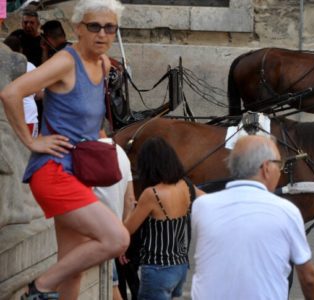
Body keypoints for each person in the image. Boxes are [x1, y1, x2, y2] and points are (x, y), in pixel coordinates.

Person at [0, 1, 129, 299]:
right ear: (77, 28)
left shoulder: (104, 63)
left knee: (73, 268)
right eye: (94, 26)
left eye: (110, 27)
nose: (102, 34)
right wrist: (32, 142)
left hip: (79, 173)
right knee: (116, 238)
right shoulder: (66, 61)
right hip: (54, 171)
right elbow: (11, 92)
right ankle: (39, 288)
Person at [191, 135, 314, 300]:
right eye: (278, 164)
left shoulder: (202, 207)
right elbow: (309, 277)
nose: (280, 171)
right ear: (266, 167)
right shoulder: (286, 211)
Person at [122, 137, 204, 300]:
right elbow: (207, 200)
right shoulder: (185, 185)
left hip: (157, 268)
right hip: (180, 267)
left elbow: (127, 229)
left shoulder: (151, 194)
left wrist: (131, 208)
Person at [93, 132, 135, 300]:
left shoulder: (91, 152)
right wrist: (123, 232)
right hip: (114, 232)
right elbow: (130, 200)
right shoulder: (121, 152)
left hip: (98, 233)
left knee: (112, 289)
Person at [3, 35, 40, 137]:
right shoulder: (30, 66)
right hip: (28, 117)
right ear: (21, 50)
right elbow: (40, 94)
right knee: (30, 151)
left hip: (7, 118)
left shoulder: (2, 66)